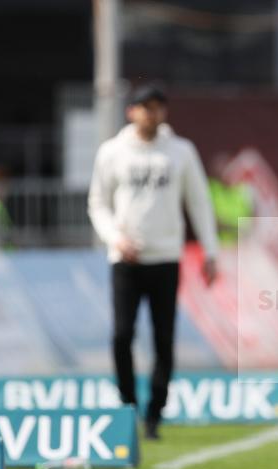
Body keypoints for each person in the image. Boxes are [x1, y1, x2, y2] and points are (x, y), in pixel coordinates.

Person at [88, 85, 219, 440]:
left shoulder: (180, 151)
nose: (152, 113)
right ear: (131, 111)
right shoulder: (112, 152)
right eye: (145, 107)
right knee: (121, 335)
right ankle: (128, 404)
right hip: (126, 259)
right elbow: (98, 202)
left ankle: (155, 413)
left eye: (158, 107)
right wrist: (115, 237)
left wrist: (210, 250)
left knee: (164, 339)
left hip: (165, 257)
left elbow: (199, 201)